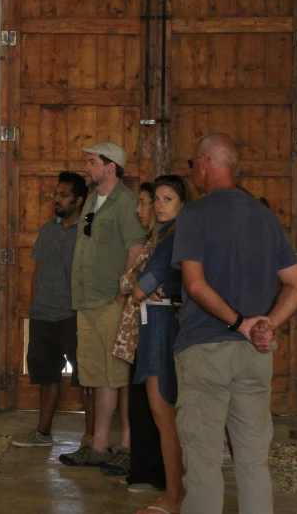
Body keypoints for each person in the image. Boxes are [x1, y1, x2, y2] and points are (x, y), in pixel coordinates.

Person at [172, 133, 297, 514]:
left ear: (204, 163)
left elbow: (196, 286)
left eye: (193, 164)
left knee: (203, 464)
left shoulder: (194, 215)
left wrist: (241, 324)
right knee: (252, 461)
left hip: (207, 351)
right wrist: (266, 325)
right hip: (254, 356)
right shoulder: (266, 218)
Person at [60, 142, 147, 475]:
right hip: (86, 301)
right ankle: (98, 446)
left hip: (112, 302)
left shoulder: (126, 203)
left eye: (91, 162)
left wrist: (122, 297)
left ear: (111, 168)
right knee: (97, 377)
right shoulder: (93, 201)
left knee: (121, 376)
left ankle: (126, 446)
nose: (86, 168)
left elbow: (136, 251)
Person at [11, 171, 93, 448]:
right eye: (55, 194)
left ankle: (91, 438)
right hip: (43, 315)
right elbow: (37, 270)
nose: (57, 199)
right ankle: (42, 433)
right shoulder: (48, 229)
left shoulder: (86, 231)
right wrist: (34, 305)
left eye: (64, 195)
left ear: (79, 200)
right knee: (47, 374)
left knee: (87, 378)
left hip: (73, 315)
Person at [131, 175, 194, 514]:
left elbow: (139, 287)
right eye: (156, 198)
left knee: (164, 415)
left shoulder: (172, 239)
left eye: (168, 199)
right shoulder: (162, 235)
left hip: (159, 328)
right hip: (154, 323)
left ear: (182, 203)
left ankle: (175, 496)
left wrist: (139, 284)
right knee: (163, 415)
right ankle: (176, 492)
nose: (158, 204)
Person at [113, 182, 166, 492]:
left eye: (145, 203)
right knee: (138, 406)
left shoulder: (164, 244)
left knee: (151, 408)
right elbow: (127, 282)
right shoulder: (150, 242)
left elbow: (139, 285)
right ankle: (142, 469)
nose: (140, 209)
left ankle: (155, 473)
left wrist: (136, 279)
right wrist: (135, 277)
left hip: (153, 335)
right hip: (138, 335)